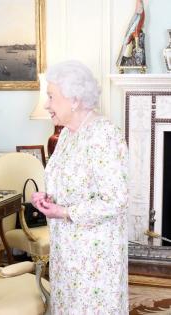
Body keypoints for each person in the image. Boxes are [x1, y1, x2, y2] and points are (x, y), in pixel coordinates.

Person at [31, 60, 128, 314]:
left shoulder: (104, 134)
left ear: (74, 99)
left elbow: (116, 199)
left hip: (94, 258)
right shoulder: (67, 134)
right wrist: (48, 198)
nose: (46, 104)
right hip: (66, 252)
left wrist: (63, 211)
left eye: (51, 97)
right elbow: (72, 184)